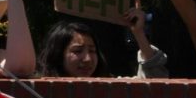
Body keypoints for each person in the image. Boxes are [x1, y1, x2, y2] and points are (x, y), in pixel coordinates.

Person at [36, 18, 169, 77]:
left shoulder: (111, 88)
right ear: (58, 54)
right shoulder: (40, 92)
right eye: (77, 51)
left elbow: (154, 81)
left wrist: (138, 33)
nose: (87, 59)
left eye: (92, 51)